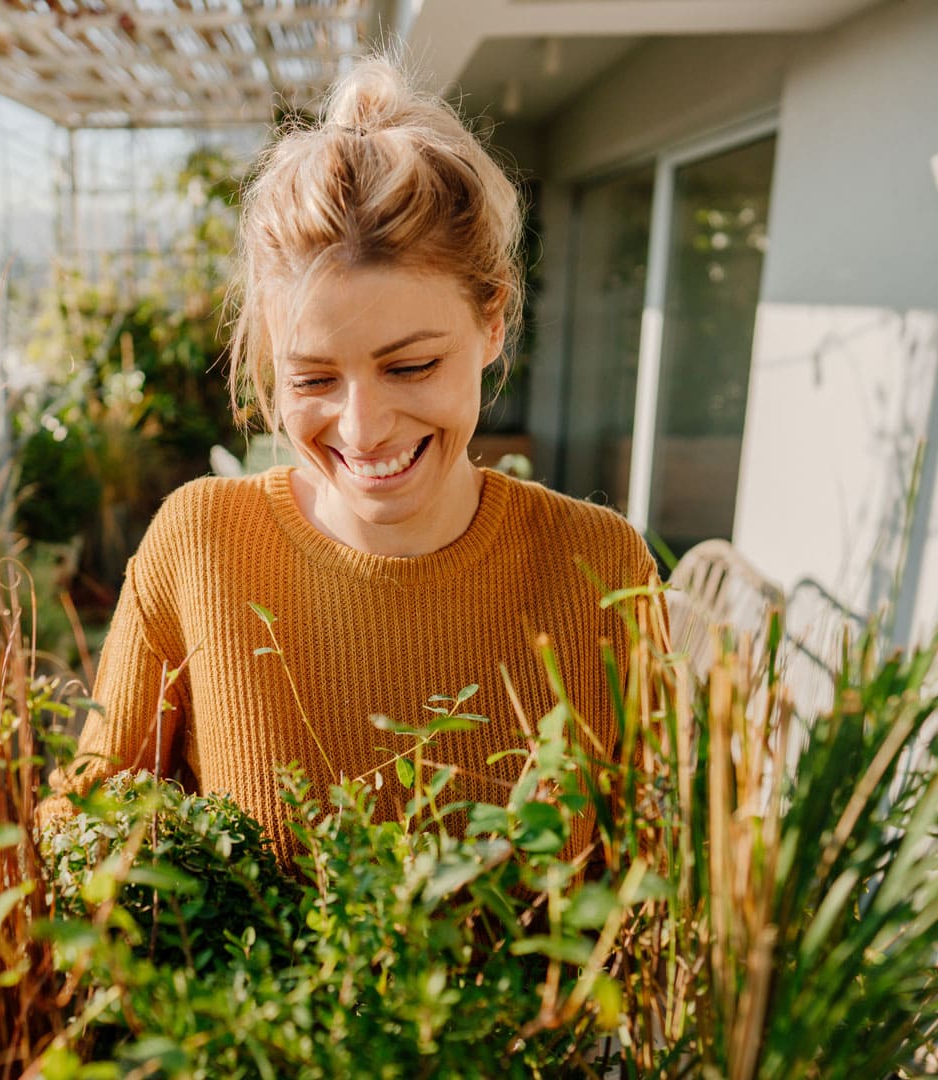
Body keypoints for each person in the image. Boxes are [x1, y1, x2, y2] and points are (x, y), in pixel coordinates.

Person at [42, 55, 663, 870]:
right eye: (313, 378)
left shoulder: (599, 568)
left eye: (410, 367)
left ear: (492, 323)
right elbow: (82, 827)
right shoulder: (200, 546)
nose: (364, 429)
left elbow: (662, 883)